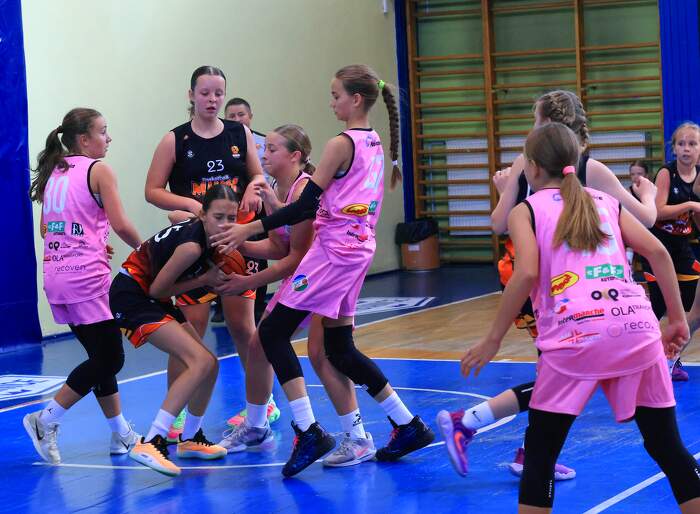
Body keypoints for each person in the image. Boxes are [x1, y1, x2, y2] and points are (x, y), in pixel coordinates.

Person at [438, 123, 700, 512]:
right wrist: (677, 319)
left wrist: (492, 339)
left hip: (576, 334)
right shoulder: (606, 202)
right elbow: (659, 253)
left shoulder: (526, 210)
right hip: (636, 328)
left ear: (531, 167)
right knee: (668, 447)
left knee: (541, 456)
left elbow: (526, 273)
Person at [210, 64, 434, 477]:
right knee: (339, 348)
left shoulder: (340, 144)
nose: (331, 103)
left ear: (356, 99)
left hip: (334, 251)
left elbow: (305, 207)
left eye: (335, 96)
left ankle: (308, 430)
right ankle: (407, 424)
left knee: (272, 333)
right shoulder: (372, 141)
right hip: (358, 250)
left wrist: (248, 228)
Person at [471, 90, 659, 480]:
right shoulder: (591, 168)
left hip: (537, 285)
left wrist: (505, 191)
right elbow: (647, 221)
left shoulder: (526, 162)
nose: (531, 128)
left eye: (534, 120)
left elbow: (498, 223)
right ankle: (501, 436)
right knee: (563, 375)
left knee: (557, 373)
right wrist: (650, 195)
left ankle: (518, 444)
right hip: (571, 291)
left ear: (546, 125)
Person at [216, 124, 376, 466]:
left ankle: (351, 435)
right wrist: (236, 241)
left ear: (295, 156)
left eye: (272, 149)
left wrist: (246, 281)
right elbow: (278, 247)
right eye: (264, 148)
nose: (264, 155)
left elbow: (297, 258)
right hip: (308, 276)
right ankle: (257, 426)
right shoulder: (276, 189)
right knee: (261, 344)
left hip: (321, 274)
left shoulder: (305, 190)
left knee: (321, 354)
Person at [144, 66, 277, 440]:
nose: (212, 99)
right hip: (196, 245)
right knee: (190, 333)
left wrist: (253, 187)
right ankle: (178, 414)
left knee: (243, 327)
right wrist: (190, 205)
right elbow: (152, 190)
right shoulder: (175, 139)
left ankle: (262, 405)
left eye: (218, 93)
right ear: (191, 95)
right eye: (205, 93)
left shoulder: (239, 133)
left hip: (236, 240)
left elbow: (257, 174)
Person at [24, 108, 142, 465]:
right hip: (86, 278)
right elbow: (121, 224)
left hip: (57, 276)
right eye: (103, 131)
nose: (109, 138)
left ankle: (121, 434)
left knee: (99, 358)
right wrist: (148, 252)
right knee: (111, 358)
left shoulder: (54, 171)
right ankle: (45, 420)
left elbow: (47, 229)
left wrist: (91, 240)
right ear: (83, 139)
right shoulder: (98, 170)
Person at [109, 185, 237, 476]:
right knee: (199, 361)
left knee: (211, 365)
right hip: (133, 295)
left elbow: (174, 216)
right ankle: (152, 441)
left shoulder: (204, 233)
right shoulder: (192, 247)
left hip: (152, 297)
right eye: (219, 217)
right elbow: (158, 289)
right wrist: (205, 278)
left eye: (231, 218)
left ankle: (190, 438)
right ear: (203, 215)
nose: (225, 224)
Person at [642, 123, 700, 382]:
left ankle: (670, 358)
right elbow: (658, 212)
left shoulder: (699, 176)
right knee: (657, 307)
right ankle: (641, 359)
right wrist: (690, 205)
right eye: (681, 144)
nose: (686, 149)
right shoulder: (667, 173)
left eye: (692, 144)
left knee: (691, 308)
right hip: (657, 246)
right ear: (674, 148)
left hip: (682, 248)